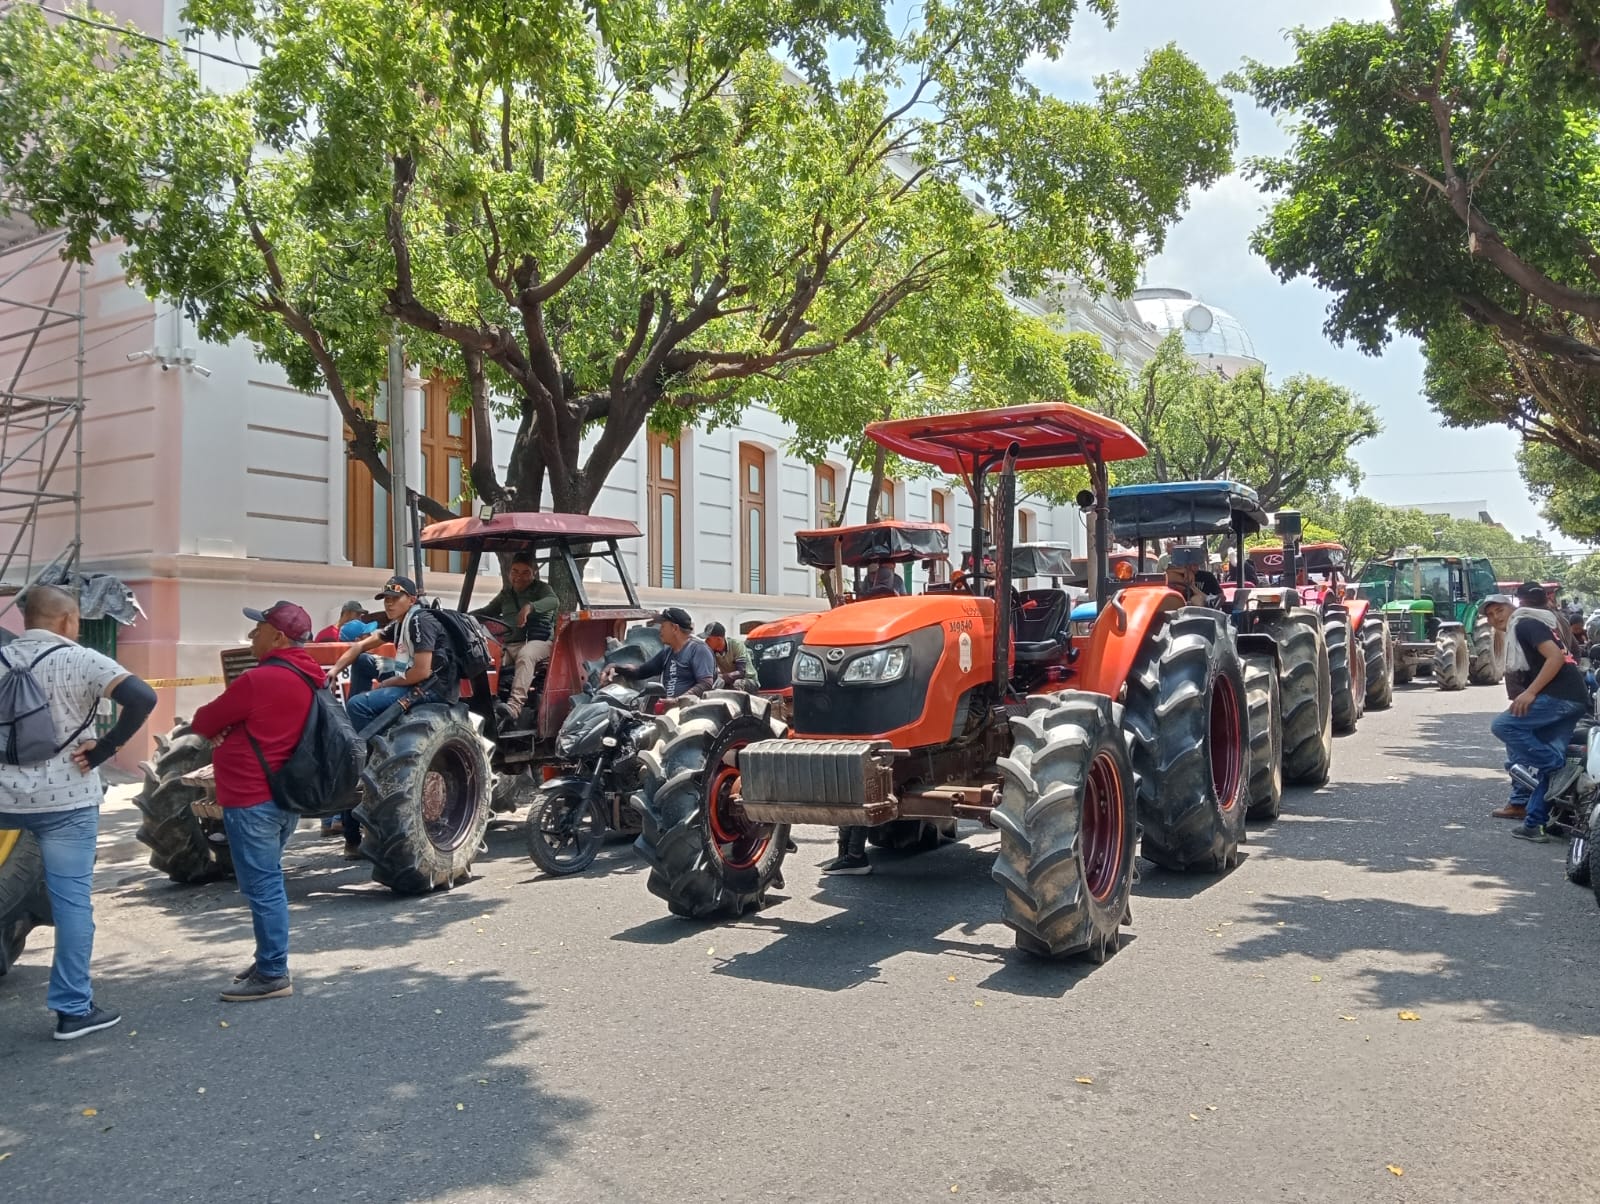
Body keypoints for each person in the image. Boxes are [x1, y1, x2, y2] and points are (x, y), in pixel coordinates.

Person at [0, 585, 155, 1039]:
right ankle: (72, 1009)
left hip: (3, 798)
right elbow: (142, 697)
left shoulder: (3, 656)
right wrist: (106, 747)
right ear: (69, 621)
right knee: (72, 907)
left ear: (26, 619)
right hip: (66, 801)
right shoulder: (83, 659)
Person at [188, 601, 322, 1002]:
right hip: (284, 798)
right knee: (264, 882)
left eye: (259, 628)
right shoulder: (310, 676)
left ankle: (273, 972)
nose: (251, 635)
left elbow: (202, 721)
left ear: (279, 636)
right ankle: (268, 957)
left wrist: (225, 729)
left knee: (263, 887)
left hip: (251, 799)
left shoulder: (258, 680)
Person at [326, 576, 458, 856]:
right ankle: (356, 733)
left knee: (360, 705)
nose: (388, 603)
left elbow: (422, 672)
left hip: (429, 687)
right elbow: (361, 646)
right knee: (364, 662)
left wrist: (388, 684)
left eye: (394, 598)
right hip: (406, 670)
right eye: (385, 598)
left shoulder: (421, 622)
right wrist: (334, 670)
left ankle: (367, 752)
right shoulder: (398, 624)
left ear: (411, 600)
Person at [1484, 586, 1589, 842]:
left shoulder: (1525, 623)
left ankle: (1557, 765)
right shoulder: (1526, 625)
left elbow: (1555, 658)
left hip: (1561, 695)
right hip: (1572, 697)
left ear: (1514, 608)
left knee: (1503, 726)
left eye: (1500, 610)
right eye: (1490, 615)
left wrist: (1530, 693)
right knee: (1550, 766)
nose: (1497, 618)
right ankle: (1534, 824)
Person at [472, 552, 557, 725]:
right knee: (485, 658)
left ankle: (514, 706)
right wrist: (462, 616)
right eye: (515, 572)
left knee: (526, 655)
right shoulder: (506, 595)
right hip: (510, 644)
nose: (519, 577)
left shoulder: (542, 589)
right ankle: (486, 705)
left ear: (533, 573)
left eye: (525, 572)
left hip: (539, 643)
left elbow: (554, 601)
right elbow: (488, 611)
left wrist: (530, 607)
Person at [601, 607, 715, 699]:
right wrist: (616, 667)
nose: (660, 630)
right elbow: (641, 671)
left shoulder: (698, 650)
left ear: (675, 628)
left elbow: (706, 683)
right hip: (669, 711)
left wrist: (680, 700)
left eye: (663, 626)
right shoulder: (667, 653)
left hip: (689, 714)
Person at [703, 622, 754, 689]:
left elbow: (741, 672)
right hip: (729, 681)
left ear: (719, 639)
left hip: (748, 681)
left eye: (708, 639)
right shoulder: (711, 650)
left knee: (738, 684)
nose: (705, 642)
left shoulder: (737, 645)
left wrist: (721, 677)